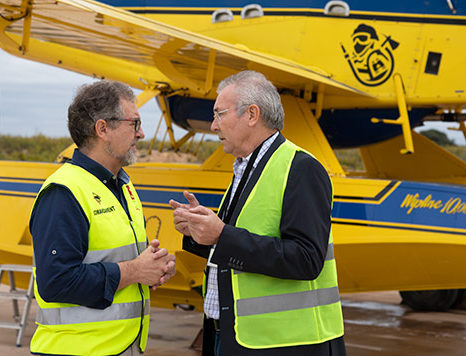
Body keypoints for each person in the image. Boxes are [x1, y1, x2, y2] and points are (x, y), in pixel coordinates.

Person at [169, 71, 346, 355]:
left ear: (252, 114)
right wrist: (199, 231)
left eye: (219, 114)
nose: (213, 126)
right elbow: (238, 245)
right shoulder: (244, 167)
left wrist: (221, 235)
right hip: (234, 335)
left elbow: (306, 259)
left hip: (284, 343)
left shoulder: (300, 168)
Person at [30, 80, 176, 356]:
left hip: (121, 347)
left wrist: (156, 265)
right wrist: (135, 270)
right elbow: (56, 282)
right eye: (134, 123)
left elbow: (117, 258)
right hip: (76, 350)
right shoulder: (64, 192)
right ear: (103, 129)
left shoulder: (122, 185)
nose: (141, 133)